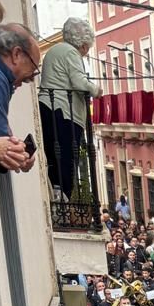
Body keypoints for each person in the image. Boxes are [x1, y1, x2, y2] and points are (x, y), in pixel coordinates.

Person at [38, 15, 99, 196]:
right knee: (65, 159)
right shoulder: (71, 52)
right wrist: (96, 89)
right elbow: (79, 81)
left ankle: (57, 194)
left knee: (53, 157)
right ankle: (62, 199)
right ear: (83, 44)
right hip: (63, 112)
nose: (85, 52)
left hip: (48, 107)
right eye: (86, 47)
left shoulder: (53, 50)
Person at [0, 22, 40, 172]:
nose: (31, 78)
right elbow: (2, 153)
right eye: (33, 68)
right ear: (16, 54)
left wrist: (14, 149)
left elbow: (1, 140)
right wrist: (16, 154)